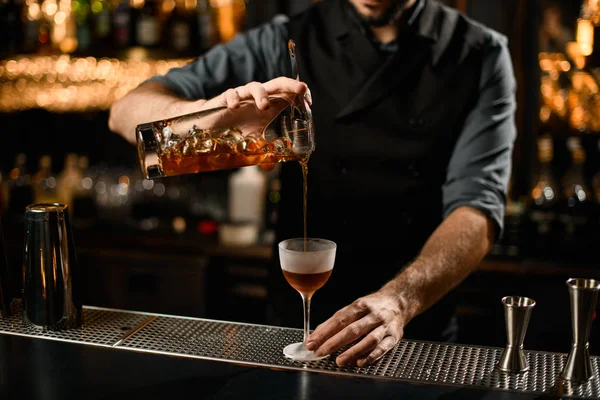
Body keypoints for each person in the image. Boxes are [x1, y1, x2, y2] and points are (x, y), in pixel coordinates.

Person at [109, 0, 516, 368]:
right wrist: (207, 114)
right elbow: (125, 112)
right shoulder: (286, 40)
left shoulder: (479, 54)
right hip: (294, 328)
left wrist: (400, 300)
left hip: (412, 332)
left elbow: (477, 209)